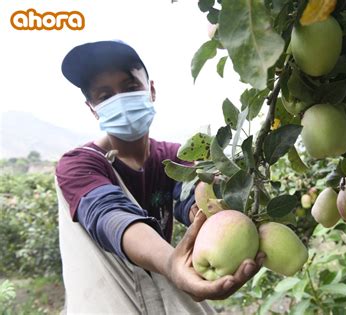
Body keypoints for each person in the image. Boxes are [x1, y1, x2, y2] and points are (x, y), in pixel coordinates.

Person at [55, 40, 264, 314]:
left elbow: (191, 196)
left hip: (161, 298)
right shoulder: (78, 165)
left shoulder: (174, 158)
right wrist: (172, 264)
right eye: (105, 95)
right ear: (92, 107)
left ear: (151, 90)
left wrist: (216, 214)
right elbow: (109, 215)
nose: (120, 100)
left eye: (130, 88)